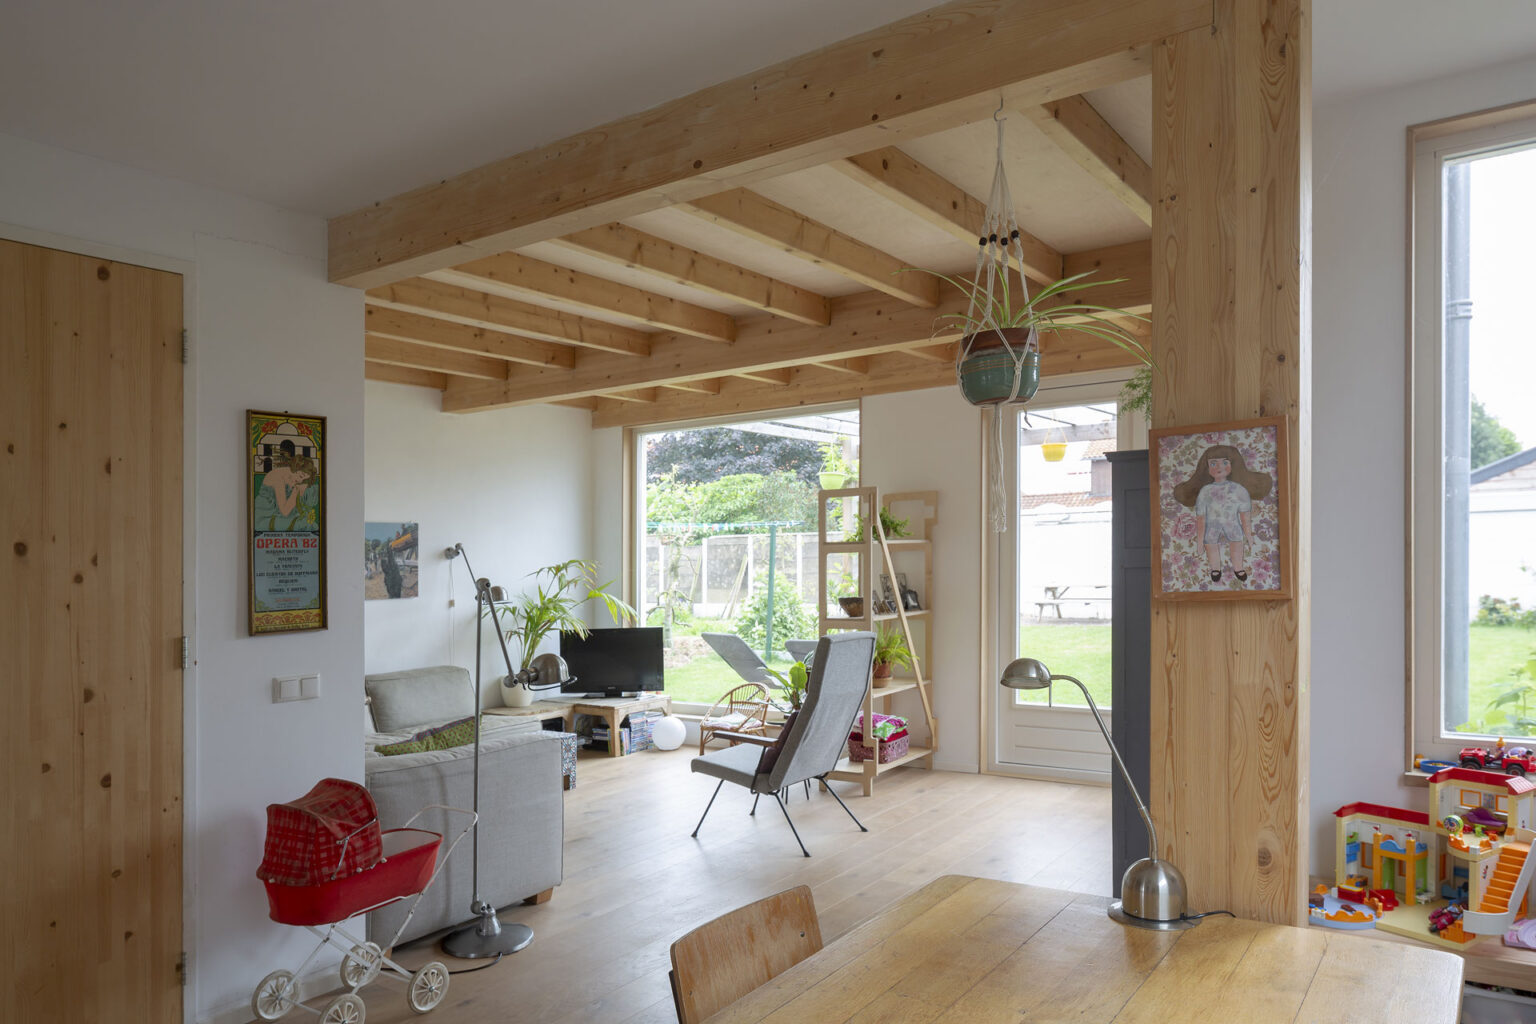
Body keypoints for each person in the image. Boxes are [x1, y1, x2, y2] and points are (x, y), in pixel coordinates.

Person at [1172, 444, 1272, 583]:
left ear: (1232, 465)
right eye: (1213, 463)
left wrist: (1249, 535)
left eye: (1225, 462)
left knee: (1237, 541)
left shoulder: (1238, 489)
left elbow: (1245, 516)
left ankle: (1238, 568)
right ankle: (1215, 568)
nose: (1219, 467)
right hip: (1212, 526)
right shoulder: (1205, 491)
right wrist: (1199, 542)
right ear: (1207, 468)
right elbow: (1201, 518)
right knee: (1210, 542)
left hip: (1233, 524)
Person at [253, 443, 319, 531]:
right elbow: (285, 512)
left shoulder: (291, 478)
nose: (300, 481)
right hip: (264, 518)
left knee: (311, 523)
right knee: (304, 525)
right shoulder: (278, 477)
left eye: (303, 479)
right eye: (301, 476)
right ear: (296, 469)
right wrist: (296, 490)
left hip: (277, 516)